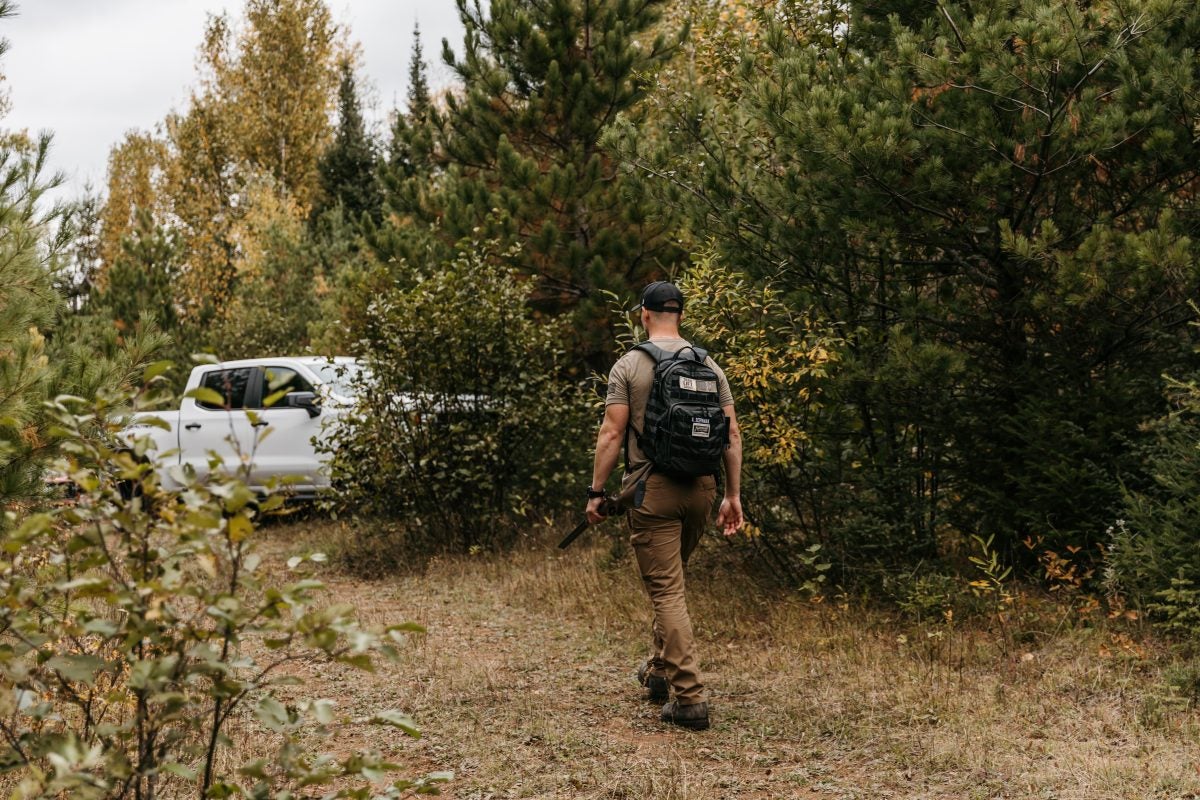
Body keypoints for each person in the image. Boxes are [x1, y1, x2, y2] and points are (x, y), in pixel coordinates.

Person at [585, 280, 743, 731]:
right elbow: (730, 434)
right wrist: (732, 495)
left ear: (644, 314)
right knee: (671, 583)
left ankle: (690, 698)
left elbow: (612, 434)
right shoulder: (708, 363)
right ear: (680, 314)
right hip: (701, 489)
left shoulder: (629, 365)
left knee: (667, 590)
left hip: (651, 490)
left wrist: (596, 493)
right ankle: (658, 671)